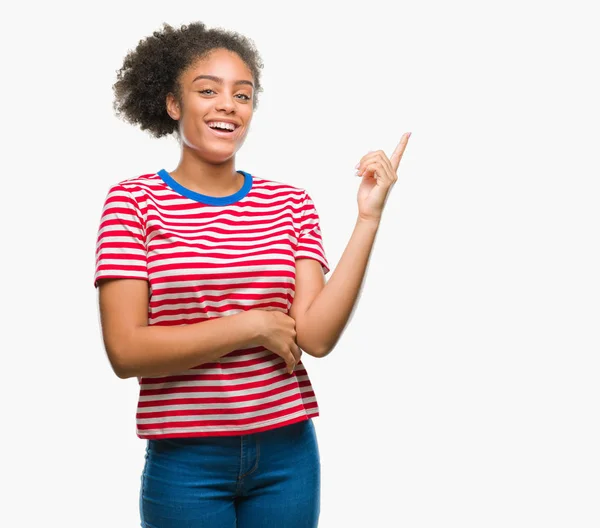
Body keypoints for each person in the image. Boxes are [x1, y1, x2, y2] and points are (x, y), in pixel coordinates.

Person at [94, 21, 410, 528]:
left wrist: (368, 217)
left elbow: (315, 336)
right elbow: (126, 351)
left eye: (243, 94)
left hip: (288, 454)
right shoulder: (134, 203)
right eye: (207, 90)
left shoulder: (290, 203)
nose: (228, 104)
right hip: (186, 462)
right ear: (173, 104)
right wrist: (252, 325)